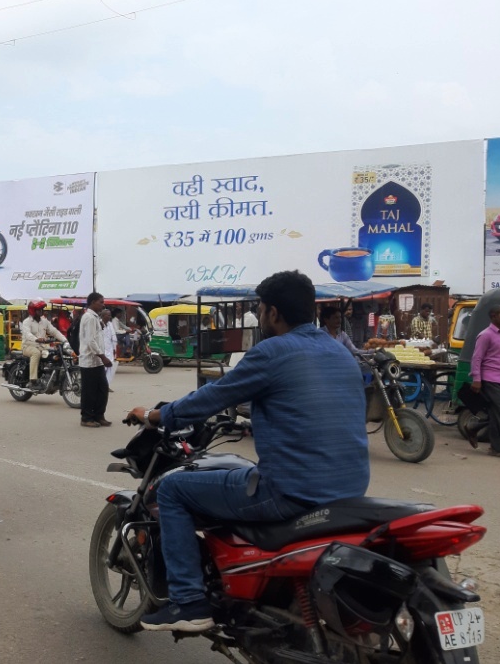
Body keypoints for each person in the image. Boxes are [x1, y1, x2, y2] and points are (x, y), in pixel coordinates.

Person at [125, 271, 369, 633]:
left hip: (291, 492)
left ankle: (189, 602)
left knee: (174, 490)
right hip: (351, 490)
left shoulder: (272, 352)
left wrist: (156, 415)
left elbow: (212, 397)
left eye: (259, 308)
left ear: (272, 313)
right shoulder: (340, 352)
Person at [468, 304, 500, 457]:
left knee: (497, 414)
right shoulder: (485, 335)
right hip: (490, 378)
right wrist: (477, 379)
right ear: (494, 316)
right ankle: (497, 448)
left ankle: (474, 427)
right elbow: (477, 358)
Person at [79, 293, 111, 428]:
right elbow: (90, 340)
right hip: (89, 361)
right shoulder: (89, 318)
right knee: (89, 392)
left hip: (96, 361)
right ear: (92, 302)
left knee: (102, 389)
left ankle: (99, 415)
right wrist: (103, 356)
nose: (103, 305)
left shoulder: (95, 317)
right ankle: (86, 418)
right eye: (100, 302)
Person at [20, 300, 68, 390]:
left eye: (42, 309)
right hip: (28, 346)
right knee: (36, 353)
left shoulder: (44, 321)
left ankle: (51, 375)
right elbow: (27, 334)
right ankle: (33, 381)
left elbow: (54, 331)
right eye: (39, 310)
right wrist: (37, 339)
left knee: (54, 353)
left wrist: (65, 340)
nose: (41, 311)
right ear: (33, 310)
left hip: (42, 346)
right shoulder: (27, 322)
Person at [102, 308, 118, 388]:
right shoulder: (99, 324)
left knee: (110, 368)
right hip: (102, 350)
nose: (110, 316)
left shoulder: (110, 324)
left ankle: (107, 385)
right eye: (108, 315)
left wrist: (114, 348)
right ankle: (102, 385)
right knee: (103, 369)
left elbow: (113, 336)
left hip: (110, 348)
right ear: (104, 316)